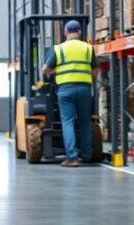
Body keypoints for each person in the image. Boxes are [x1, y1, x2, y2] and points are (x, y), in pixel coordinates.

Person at [42, 20, 96, 167]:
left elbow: (45, 69)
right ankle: (86, 154)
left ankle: (72, 157)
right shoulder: (88, 48)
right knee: (85, 121)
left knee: (68, 121)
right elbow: (95, 71)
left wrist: (50, 75)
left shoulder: (58, 49)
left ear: (65, 32)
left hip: (66, 89)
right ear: (79, 32)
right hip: (85, 89)